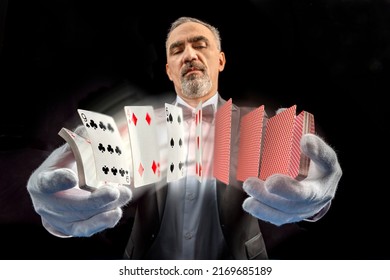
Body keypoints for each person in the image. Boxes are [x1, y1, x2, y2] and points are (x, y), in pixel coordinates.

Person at [26, 16, 342, 259]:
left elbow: (302, 183)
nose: (189, 54)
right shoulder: (133, 126)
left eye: (200, 44)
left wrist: (317, 198)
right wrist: (56, 211)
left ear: (220, 60)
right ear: (168, 69)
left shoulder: (259, 126)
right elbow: (80, 188)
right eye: (177, 49)